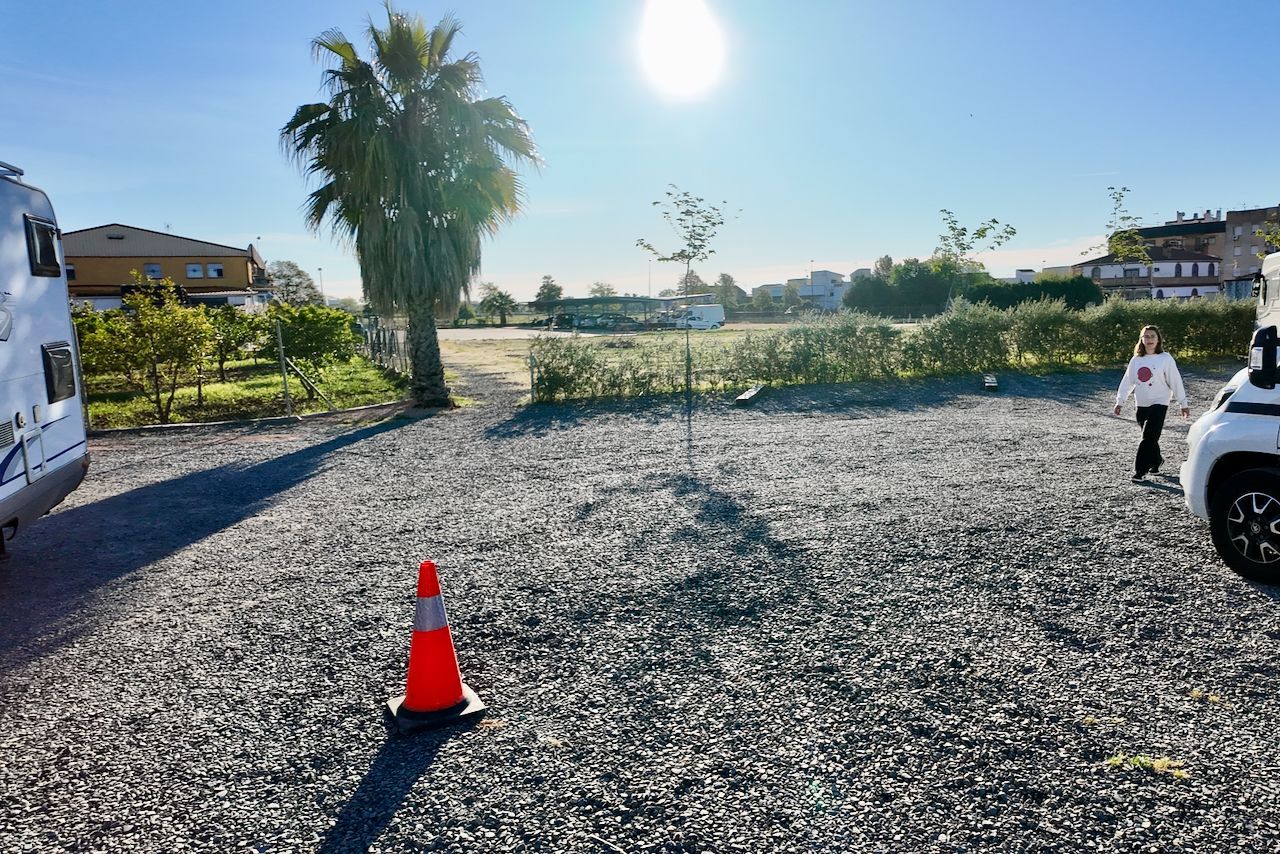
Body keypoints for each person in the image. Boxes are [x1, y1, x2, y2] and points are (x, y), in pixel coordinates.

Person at [1114, 324, 1190, 482]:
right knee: (1150, 437)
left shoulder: (1165, 359)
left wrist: (1183, 403)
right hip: (1141, 404)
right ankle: (1156, 461)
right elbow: (1128, 381)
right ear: (1141, 339)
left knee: (1148, 437)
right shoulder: (1136, 360)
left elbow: (1175, 381)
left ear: (1158, 339)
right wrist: (1120, 401)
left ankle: (1140, 471)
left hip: (1160, 403)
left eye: (1152, 336)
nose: (1149, 339)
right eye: (1146, 336)